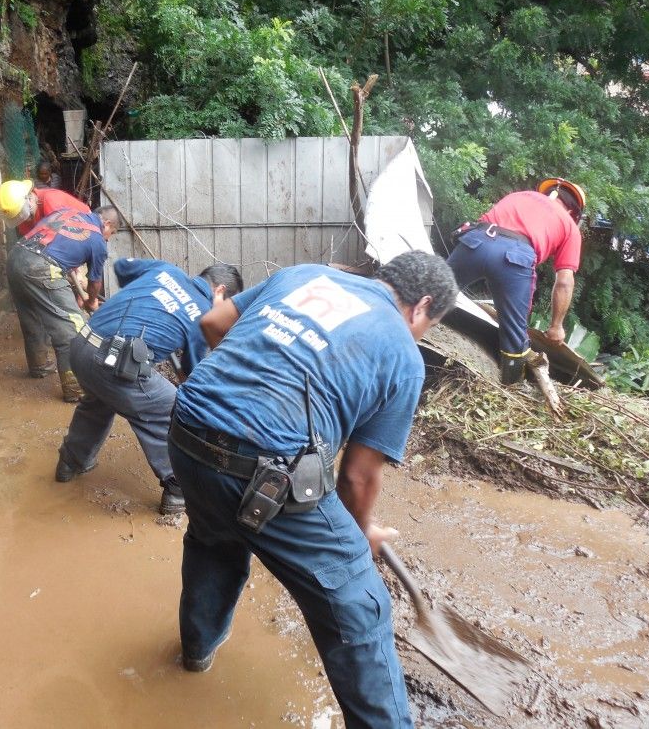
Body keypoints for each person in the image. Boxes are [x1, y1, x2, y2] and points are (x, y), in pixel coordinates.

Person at [167, 252, 458, 729]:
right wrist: (361, 536)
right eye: (430, 325)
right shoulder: (404, 354)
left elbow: (213, 320)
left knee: (215, 537)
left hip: (186, 427)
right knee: (361, 606)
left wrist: (246, 392)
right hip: (260, 470)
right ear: (422, 306)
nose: (421, 335)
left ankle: (196, 653)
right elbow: (358, 477)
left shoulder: (304, 274)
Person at [55, 259, 244, 515]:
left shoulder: (165, 271)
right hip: (112, 363)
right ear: (220, 291)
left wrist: (146, 298)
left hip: (80, 348)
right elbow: (193, 375)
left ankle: (70, 462)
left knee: (100, 400)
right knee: (172, 409)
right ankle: (177, 487)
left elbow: (122, 267)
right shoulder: (203, 312)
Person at [446, 178, 586, 384]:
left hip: (475, 240)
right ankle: (509, 391)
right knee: (514, 337)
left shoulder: (518, 196)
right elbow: (565, 281)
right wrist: (556, 326)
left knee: (431, 295)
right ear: (574, 213)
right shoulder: (569, 226)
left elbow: (490, 244)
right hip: (515, 258)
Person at [4, 199, 120, 402]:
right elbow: (94, 283)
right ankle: (75, 388)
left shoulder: (67, 213)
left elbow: (59, 245)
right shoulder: (98, 241)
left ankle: (39, 365)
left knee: (31, 316)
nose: (109, 239)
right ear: (107, 224)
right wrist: (91, 301)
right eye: (113, 234)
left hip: (16, 257)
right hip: (42, 267)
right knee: (71, 328)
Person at [0, 178, 90, 239]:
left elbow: (62, 237)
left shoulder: (50, 200)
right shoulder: (23, 215)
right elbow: (29, 238)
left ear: (29, 199)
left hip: (85, 228)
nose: (23, 220)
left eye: (21, 215)